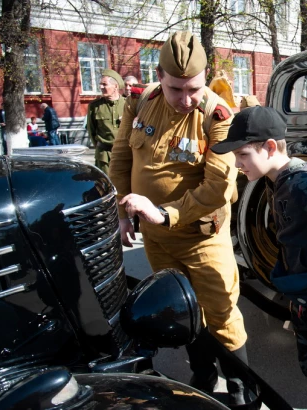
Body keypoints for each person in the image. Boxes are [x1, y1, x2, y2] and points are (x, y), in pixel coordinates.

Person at [108, 31, 248, 407]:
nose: (186, 99)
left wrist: (164, 214)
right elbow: (121, 159)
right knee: (180, 312)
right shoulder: (140, 103)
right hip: (156, 240)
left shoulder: (216, 115)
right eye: (176, 90)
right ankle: (202, 379)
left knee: (221, 315)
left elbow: (217, 189)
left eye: (194, 89)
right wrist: (123, 213)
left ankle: (242, 392)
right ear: (160, 76)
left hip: (202, 239)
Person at [211, 106, 307, 410]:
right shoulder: (279, 181)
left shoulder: (303, 185)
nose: (237, 163)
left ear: (269, 147)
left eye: (243, 154)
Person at [87, 69, 126, 174]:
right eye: (100, 84)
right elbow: (92, 131)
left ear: (115, 86)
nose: (101, 87)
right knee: (105, 186)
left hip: (125, 155)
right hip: (104, 155)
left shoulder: (128, 105)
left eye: (104, 84)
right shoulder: (94, 106)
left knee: (124, 187)